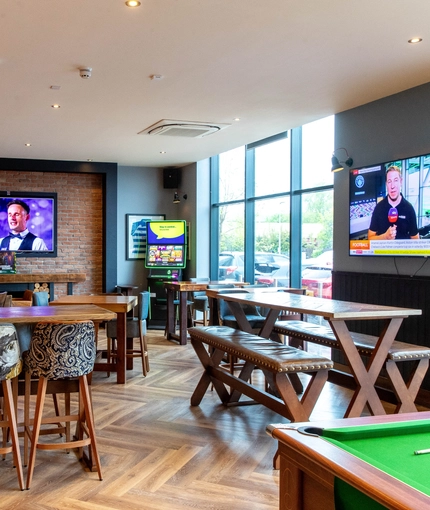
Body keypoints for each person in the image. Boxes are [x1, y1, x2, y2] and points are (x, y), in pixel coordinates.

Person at [368, 166, 419, 240]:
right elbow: (370, 238)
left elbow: (415, 238)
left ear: (401, 182)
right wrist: (385, 237)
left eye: (395, 180)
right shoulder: (379, 208)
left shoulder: (409, 208)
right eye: (389, 181)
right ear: (386, 184)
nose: (392, 186)